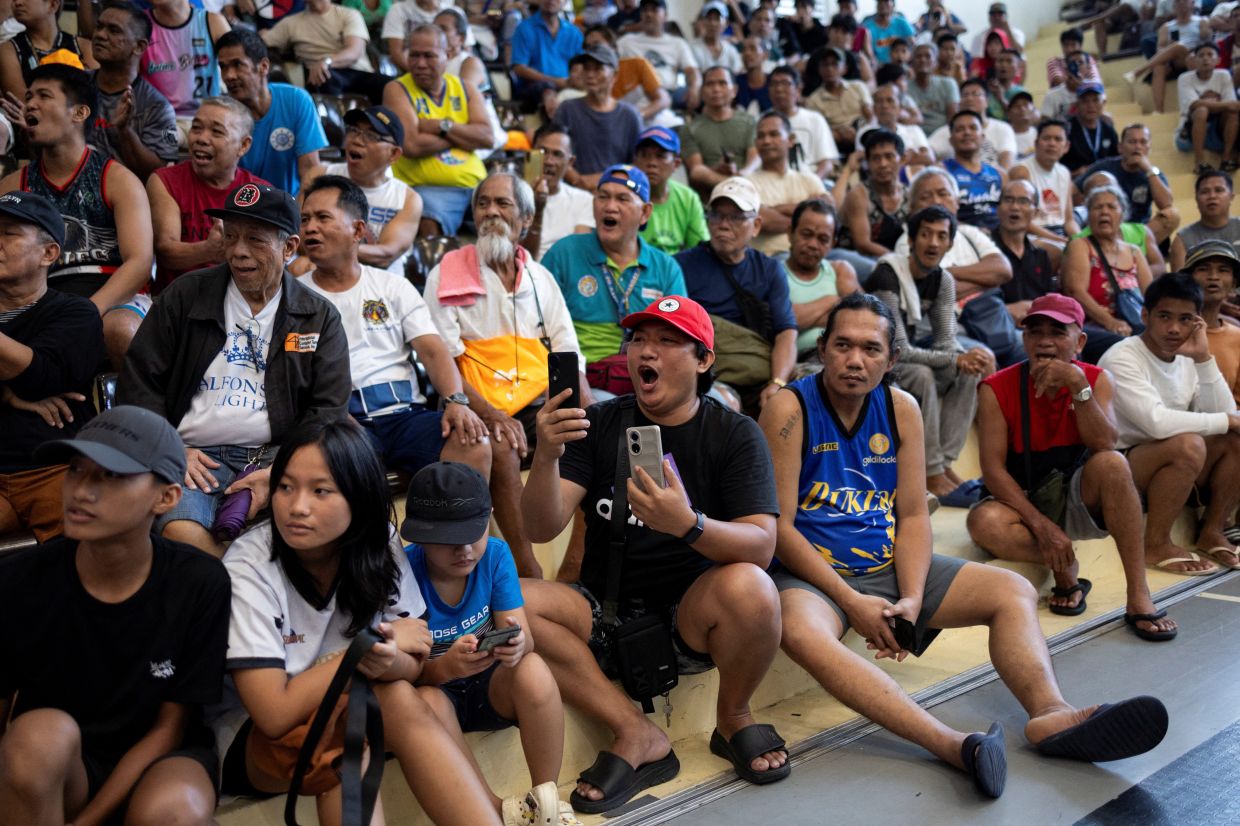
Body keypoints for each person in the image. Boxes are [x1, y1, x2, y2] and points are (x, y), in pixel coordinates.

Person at [761, 293, 1169, 804]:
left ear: (891, 360)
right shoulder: (789, 408)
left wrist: (911, 598)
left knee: (1011, 590)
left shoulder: (901, 407)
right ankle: (955, 745)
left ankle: (1049, 714)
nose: (855, 360)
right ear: (822, 349)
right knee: (801, 631)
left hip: (886, 562)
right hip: (813, 577)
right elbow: (780, 527)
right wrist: (849, 600)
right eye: (842, 345)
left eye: (870, 348)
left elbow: (911, 514)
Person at [520, 294, 790, 814]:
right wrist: (548, 455)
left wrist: (688, 525)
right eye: (639, 340)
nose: (647, 352)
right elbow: (539, 525)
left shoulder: (734, 434)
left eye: (668, 342)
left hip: (692, 619)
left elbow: (761, 545)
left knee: (753, 589)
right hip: (605, 610)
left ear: (703, 359)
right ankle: (635, 732)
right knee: (512, 602)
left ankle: (733, 717)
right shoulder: (597, 422)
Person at [207, 421, 505, 826]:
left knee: (401, 697)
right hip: (257, 739)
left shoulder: (378, 542)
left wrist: (385, 659)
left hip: (355, 708)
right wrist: (360, 652)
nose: (297, 506)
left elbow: (413, 663)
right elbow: (273, 713)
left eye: (320, 491)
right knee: (347, 736)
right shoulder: (248, 567)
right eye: (285, 487)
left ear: (360, 496)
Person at [0, 406, 231, 826]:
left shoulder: (199, 581)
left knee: (176, 810)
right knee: (38, 738)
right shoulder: (19, 578)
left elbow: (170, 726)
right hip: (61, 761)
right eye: (76, 470)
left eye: (111, 475)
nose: (82, 490)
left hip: (160, 755)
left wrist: (88, 822)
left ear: (167, 497)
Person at [118, 182, 351, 557]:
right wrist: (171, 447)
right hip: (193, 456)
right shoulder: (186, 294)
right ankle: (238, 597)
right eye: (231, 238)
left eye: (256, 241)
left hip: (278, 457)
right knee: (181, 531)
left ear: (289, 248)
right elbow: (139, 381)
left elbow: (328, 410)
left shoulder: (317, 316)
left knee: (315, 530)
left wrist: (283, 472)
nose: (238, 252)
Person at [967, 293, 1178, 639]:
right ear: (1024, 339)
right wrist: (1044, 529)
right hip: (1022, 498)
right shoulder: (996, 388)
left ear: (1079, 342)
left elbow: (1105, 444)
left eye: (1058, 332)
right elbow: (993, 471)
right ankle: (1068, 570)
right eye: (1035, 331)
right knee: (983, 521)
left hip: (1076, 491)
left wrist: (1078, 387)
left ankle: (1139, 594)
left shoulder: (1096, 379)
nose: (1045, 341)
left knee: (1113, 464)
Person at [423, 172, 586, 580]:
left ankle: (579, 565)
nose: (491, 211)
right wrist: (495, 414)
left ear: (526, 221)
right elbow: (444, 359)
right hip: (477, 403)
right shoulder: (447, 272)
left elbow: (567, 351)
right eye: (483, 204)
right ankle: (524, 565)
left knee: (596, 438)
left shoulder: (540, 277)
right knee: (500, 444)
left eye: (503, 204)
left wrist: (590, 413)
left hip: (538, 401)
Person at [402, 461, 579, 825]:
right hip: (436, 693)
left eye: (475, 531)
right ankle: (491, 807)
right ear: (420, 535)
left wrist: (517, 645)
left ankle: (546, 800)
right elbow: (406, 679)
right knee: (428, 700)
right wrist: (445, 667)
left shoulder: (495, 554)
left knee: (532, 668)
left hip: (489, 686)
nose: (465, 549)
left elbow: (522, 635)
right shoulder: (404, 573)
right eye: (450, 539)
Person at [297, 175, 491, 482]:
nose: (310, 227)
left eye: (323, 218)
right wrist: (334, 417)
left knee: (472, 440)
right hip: (341, 420)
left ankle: (473, 532)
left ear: (358, 230)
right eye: (305, 219)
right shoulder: (295, 297)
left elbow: (433, 351)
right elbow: (297, 378)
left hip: (405, 418)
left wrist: (456, 401)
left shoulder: (392, 286)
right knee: (341, 457)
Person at [0, 63, 153, 372]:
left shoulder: (117, 178)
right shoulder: (12, 185)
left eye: (44, 95)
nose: (30, 103)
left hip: (112, 295)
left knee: (119, 330)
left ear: (80, 113)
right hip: (41, 297)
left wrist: (86, 313)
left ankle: (143, 418)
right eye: (28, 96)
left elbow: (139, 263)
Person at [1098, 272, 1240, 574]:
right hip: (1122, 466)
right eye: (1164, 316)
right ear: (1145, 315)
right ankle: (1156, 543)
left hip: (1173, 461)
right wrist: (1227, 419)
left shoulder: (1188, 355)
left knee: (1233, 438)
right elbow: (1156, 424)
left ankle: (1212, 530)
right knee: (1189, 444)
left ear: (1198, 322)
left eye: (1185, 319)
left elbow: (1228, 415)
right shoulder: (1121, 357)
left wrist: (1203, 358)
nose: (1174, 328)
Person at [867, 205, 994, 505]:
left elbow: (946, 341)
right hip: (877, 359)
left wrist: (966, 358)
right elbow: (897, 348)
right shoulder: (887, 274)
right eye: (925, 234)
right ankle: (931, 471)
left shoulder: (943, 280)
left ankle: (945, 464)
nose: (933, 243)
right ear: (911, 240)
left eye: (941, 236)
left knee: (969, 369)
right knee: (923, 374)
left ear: (950, 244)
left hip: (903, 357)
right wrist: (954, 359)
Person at [0, 191, 102, 543]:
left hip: (52, 471)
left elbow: (43, 376)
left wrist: (21, 388)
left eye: (8, 233)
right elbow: (25, 382)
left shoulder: (74, 313)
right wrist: (9, 396)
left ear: (49, 253)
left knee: (88, 549)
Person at [543, 164, 685, 399]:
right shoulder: (564, 253)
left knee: (719, 403)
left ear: (645, 213)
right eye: (602, 197)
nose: (610, 207)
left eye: (622, 199)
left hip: (648, 377)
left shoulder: (665, 267)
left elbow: (678, 337)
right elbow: (539, 326)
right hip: (584, 377)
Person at [677, 177, 797, 411]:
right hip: (709, 374)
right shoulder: (682, 266)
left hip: (760, 372)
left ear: (757, 226)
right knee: (723, 405)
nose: (723, 224)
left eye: (736, 217)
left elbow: (786, 332)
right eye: (716, 215)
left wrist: (778, 382)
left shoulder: (769, 270)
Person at [148, 96, 268, 293]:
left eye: (216, 131)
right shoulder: (165, 180)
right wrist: (208, 250)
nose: (201, 139)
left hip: (240, 301)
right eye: (196, 128)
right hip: (179, 300)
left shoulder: (259, 192)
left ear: (244, 145)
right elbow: (166, 251)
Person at [384, 25, 491, 238]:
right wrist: (464, 137)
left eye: (429, 56)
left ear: (448, 54)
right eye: (414, 55)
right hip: (428, 189)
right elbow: (412, 145)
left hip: (478, 186)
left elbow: (487, 137)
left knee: (511, 209)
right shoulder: (397, 89)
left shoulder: (465, 88)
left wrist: (441, 127)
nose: (420, 64)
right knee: (428, 218)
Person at [311, 107, 422, 277]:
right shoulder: (319, 176)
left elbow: (386, 254)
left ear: (394, 153)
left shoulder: (407, 199)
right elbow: (298, 235)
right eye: (354, 131)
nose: (356, 140)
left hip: (380, 282)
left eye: (370, 136)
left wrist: (333, 247)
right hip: (324, 273)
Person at [218, 28, 328, 197]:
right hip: (241, 210)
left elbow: (309, 171)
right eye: (223, 67)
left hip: (289, 207)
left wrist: (298, 218)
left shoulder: (296, 100)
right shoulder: (223, 112)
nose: (229, 76)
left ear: (263, 66)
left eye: (237, 65)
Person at [87, 1, 179, 181]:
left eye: (113, 30)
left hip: (126, 200)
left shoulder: (157, 106)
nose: (100, 35)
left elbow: (157, 174)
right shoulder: (74, 87)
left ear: (139, 47)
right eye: (99, 27)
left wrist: (125, 130)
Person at [1062, 185, 1151, 348]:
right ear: (1088, 216)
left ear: (1122, 214)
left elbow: (1152, 295)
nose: (1104, 212)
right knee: (1122, 344)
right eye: (1098, 207)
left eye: (1111, 207)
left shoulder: (1134, 252)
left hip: (1134, 325)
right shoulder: (1080, 245)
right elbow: (1076, 291)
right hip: (1095, 327)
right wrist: (1110, 322)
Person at [553, 45, 643, 189]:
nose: (590, 74)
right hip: (572, 191)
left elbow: (637, 163)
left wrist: (606, 180)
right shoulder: (567, 109)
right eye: (587, 68)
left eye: (597, 68)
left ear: (614, 75)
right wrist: (579, 181)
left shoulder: (630, 116)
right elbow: (555, 152)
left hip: (617, 191)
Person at [260, 0, 387, 102]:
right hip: (321, 76)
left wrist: (326, 62)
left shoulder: (349, 14)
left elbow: (354, 51)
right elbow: (258, 42)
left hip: (358, 72)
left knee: (389, 85)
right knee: (325, 78)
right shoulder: (290, 23)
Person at [1074, 124, 1179, 246]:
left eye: (1143, 142)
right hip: (1104, 225)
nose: (1137, 147)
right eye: (1132, 142)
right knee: (1099, 179)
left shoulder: (1154, 173)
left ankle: (1132, 250)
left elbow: (1166, 204)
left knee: (1172, 216)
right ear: (1120, 147)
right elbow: (1072, 191)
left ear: (1149, 148)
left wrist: (1149, 171)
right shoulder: (1104, 167)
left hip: (1137, 230)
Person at [783, 198, 859, 357]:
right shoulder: (774, 272)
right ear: (790, 233)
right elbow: (783, 321)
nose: (813, 244)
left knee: (919, 373)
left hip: (848, 356)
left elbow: (857, 319)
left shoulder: (840, 270)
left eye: (823, 239)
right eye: (806, 234)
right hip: (801, 360)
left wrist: (803, 318)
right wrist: (832, 300)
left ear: (833, 244)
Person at [746, 109, 828, 257]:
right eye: (761, 136)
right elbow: (764, 222)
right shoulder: (746, 183)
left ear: (790, 140)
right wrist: (807, 212)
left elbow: (827, 218)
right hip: (773, 258)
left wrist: (777, 209)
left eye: (774, 134)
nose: (766, 141)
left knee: (858, 266)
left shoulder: (809, 179)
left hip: (819, 255)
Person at [140, 0, 230, 128]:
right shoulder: (138, 25)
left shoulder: (212, 22)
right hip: (159, 123)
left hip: (209, 121)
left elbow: (241, 71)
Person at [681, 67, 757, 198]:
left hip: (748, 185)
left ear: (734, 90)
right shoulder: (689, 128)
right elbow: (696, 170)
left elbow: (755, 157)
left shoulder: (749, 121)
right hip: (713, 193)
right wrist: (717, 170)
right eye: (710, 84)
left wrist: (743, 174)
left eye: (722, 83)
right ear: (702, 92)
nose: (716, 89)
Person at [632, 126, 708, 256]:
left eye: (660, 156)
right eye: (644, 155)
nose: (651, 163)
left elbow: (700, 250)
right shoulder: (624, 197)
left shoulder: (688, 198)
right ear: (635, 162)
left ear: (676, 164)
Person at [1124, 0, 1211, 113]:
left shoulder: (1202, 21)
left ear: (1193, 3)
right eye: (1179, 2)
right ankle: (1158, 111)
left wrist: (1204, 32)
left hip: (1195, 56)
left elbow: (1207, 41)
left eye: (1185, 1)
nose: (1182, 4)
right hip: (1175, 60)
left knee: (1180, 48)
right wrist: (1171, 48)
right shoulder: (1166, 27)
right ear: (1174, 6)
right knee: (1159, 67)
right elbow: (1160, 50)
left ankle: (1138, 72)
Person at [837, 128, 908, 268]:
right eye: (876, 158)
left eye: (889, 156)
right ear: (868, 163)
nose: (883, 164)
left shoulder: (910, 194)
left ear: (903, 159)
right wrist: (901, 262)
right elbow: (862, 244)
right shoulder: (858, 195)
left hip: (893, 259)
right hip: (854, 260)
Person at [525, 122, 595, 261]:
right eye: (543, 152)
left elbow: (578, 255)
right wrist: (537, 208)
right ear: (531, 154)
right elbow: (522, 259)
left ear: (570, 162)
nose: (549, 161)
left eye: (557, 154)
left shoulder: (583, 200)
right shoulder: (511, 196)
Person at [617, 0, 700, 111]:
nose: (648, 14)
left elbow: (692, 70)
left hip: (667, 96)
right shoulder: (626, 42)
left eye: (654, 10)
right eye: (645, 10)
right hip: (634, 98)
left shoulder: (677, 43)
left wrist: (694, 88)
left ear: (665, 16)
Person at [0, 0, 90, 101]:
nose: (18, 3)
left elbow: (96, 98)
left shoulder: (84, 47)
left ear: (52, 4)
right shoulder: (8, 50)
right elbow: (22, 104)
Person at [1187, 240, 1240, 404]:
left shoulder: (1237, 337)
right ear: (1187, 280)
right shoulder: (1170, 331)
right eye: (1203, 269)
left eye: (1223, 270)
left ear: (1234, 283)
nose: (1213, 276)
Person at [1174, 42, 1239, 174]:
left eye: (1210, 55)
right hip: (1188, 135)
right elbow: (1194, 105)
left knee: (1232, 114)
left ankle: (1226, 159)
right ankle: (1199, 163)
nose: (1205, 58)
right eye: (1201, 55)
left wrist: (1204, 102)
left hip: (1217, 132)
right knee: (1201, 111)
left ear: (1218, 60)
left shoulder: (1223, 75)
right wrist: (1216, 103)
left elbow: (1232, 106)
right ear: (1194, 60)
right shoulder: (1184, 78)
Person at [1011, 119, 1079, 241]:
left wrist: (1080, 240)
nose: (1052, 143)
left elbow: (1069, 221)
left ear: (1066, 147)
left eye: (1058, 139)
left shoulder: (1064, 172)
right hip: (1032, 235)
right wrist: (1060, 241)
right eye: (1046, 138)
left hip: (1059, 233)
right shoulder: (1022, 171)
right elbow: (1021, 221)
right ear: (1036, 144)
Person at [927, 78, 1016, 170]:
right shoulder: (946, 131)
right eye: (965, 95)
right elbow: (926, 153)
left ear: (987, 101)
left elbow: (1007, 164)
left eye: (976, 94)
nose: (969, 98)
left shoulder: (1002, 128)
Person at [768, 64, 838, 179]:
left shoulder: (815, 119)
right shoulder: (762, 121)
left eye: (785, 83)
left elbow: (826, 164)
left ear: (798, 89)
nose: (779, 89)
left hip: (811, 180)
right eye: (774, 84)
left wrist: (812, 185)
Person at [511, 0, 583, 112]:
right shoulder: (524, 28)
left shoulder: (574, 32)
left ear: (565, 2)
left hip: (567, 84)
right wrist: (555, 81)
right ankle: (555, 122)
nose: (551, 1)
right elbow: (519, 67)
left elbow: (581, 64)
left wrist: (573, 80)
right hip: (533, 86)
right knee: (547, 90)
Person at [942, 110, 1005, 233]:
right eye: (960, 129)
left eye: (973, 128)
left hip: (1002, 236)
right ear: (951, 140)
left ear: (982, 137)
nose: (967, 132)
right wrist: (974, 233)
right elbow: (939, 216)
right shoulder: (941, 173)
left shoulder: (1000, 174)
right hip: (961, 236)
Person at [804, 47, 873, 154]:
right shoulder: (813, 100)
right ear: (819, 70)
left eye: (835, 64)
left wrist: (861, 133)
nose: (830, 69)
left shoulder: (858, 87)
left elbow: (870, 115)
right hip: (836, 143)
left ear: (844, 68)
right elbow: (818, 130)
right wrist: (839, 134)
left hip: (865, 135)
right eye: (825, 65)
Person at [1169, 170, 1240, 271]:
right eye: (1204, 192)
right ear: (1196, 199)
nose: (1212, 196)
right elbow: (1181, 285)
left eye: (1219, 190)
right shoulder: (1182, 240)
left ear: (1231, 196)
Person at [856, 84, 934, 174]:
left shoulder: (914, 130)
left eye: (890, 100)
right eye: (879, 101)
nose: (884, 105)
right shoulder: (865, 132)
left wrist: (893, 161)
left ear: (900, 107)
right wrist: (909, 156)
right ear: (873, 108)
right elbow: (867, 165)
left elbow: (929, 158)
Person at [1061, 84, 1118, 175]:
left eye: (1095, 100)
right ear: (1077, 105)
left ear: (1103, 103)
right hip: (1075, 181)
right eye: (1085, 101)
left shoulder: (1108, 129)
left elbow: (1117, 160)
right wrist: (1075, 173)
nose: (1090, 105)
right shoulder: (1067, 130)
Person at [908, 43, 958, 135]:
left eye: (928, 56)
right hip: (915, 136)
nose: (923, 60)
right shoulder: (904, 88)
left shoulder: (948, 84)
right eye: (918, 57)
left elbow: (953, 118)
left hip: (944, 134)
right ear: (912, 63)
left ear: (935, 63)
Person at [691, 1, 742, 76]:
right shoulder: (691, 48)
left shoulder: (731, 50)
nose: (712, 23)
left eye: (717, 19)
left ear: (726, 23)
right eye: (709, 19)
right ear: (702, 21)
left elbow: (737, 74)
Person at [863, 0, 915, 65]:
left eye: (886, 1)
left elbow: (912, 44)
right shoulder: (867, 26)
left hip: (901, 65)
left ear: (893, 5)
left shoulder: (902, 23)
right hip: (877, 66)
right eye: (879, 2)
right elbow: (867, 51)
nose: (882, 4)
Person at [735, 36, 772, 115]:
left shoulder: (774, 83)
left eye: (753, 49)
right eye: (744, 50)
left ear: (765, 55)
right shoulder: (735, 83)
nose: (747, 53)